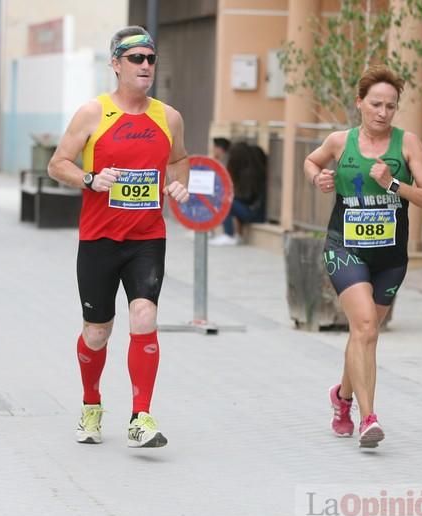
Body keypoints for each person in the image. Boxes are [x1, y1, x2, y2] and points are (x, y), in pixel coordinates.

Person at [47, 26, 190, 448]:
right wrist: (90, 179)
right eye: (136, 59)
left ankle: (140, 416)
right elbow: (58, 164)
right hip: (99, 239)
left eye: (150, 58)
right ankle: (91, 404)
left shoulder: (169, 116)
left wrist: (179, 185)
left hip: (148, 237)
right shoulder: (93, 113)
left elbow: (180, 159)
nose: (146, 65)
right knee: (98, 330)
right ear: (116, 65)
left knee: (144, 314)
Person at [304, 65, 422, 448]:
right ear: (359, 102)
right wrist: (317, 177)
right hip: (345, 248)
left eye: (391, 106)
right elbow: (312, 161)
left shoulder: (408, 144)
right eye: (376, 104)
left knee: (365, 334)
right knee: (364, 327)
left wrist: (394, 184)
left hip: (390, 257)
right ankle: (369, 419)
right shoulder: (339, 142)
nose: (383, 112)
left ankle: (341, 398)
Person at [209, 142, 267, 246]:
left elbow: (247, 198)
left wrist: (231, 195)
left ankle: (229, 234)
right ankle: (233, 235)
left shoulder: (248, 174)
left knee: (226, 201)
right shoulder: (250, 171)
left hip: (255, 214)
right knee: (226, 200)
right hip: (255, 212)